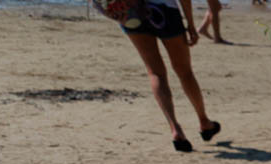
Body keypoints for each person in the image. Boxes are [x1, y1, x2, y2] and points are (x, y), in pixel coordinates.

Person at [93, 0, 220, 152]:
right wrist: (191, 24)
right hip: (165, 10)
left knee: (155, 72)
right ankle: (204, 121)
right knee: (184, 72)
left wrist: (111, 12)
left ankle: (175, 128)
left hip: (131, 13)